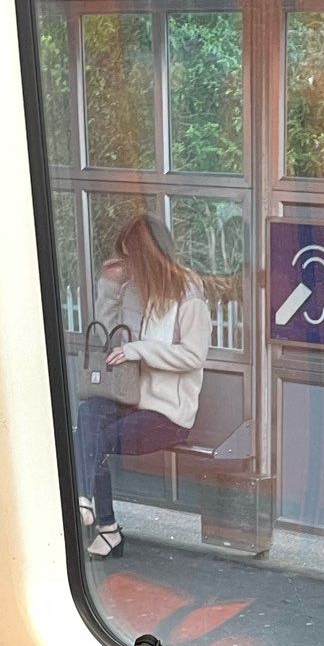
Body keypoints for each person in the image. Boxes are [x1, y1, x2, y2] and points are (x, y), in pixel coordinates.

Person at [74, 214, 211, 559]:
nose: (128, 267)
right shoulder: (136, 291)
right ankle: (84, 501)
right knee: (87, 413)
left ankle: (105, 527)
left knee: (97, 441)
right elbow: (112, 339)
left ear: (148, 256)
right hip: (131, 398)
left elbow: (194, 355)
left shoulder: (189, 293)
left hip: (168, 413)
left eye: (132, 258)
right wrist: (109, 287)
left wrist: (139, 350)